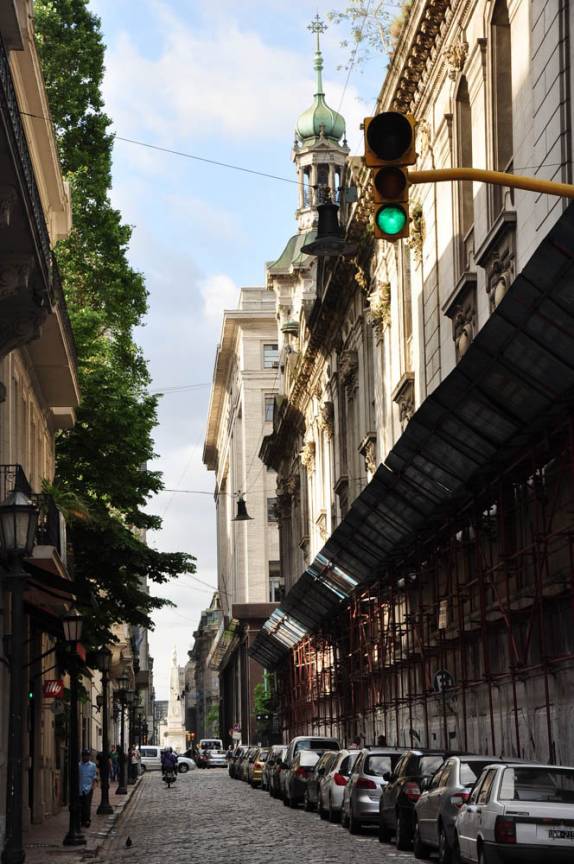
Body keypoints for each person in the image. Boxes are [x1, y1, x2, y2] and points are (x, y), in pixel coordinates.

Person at [79, 749, 97, 828]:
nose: (86, 757)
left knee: (87, 805)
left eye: (88, 756)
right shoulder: (79, 765)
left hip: (89, 788)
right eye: (85, 756)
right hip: (80, 788)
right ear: (82, 757)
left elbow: (94, 777)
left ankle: (87, 820)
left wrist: (93, 786)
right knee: (81, 805)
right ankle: (82, 820)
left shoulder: (93, 765)